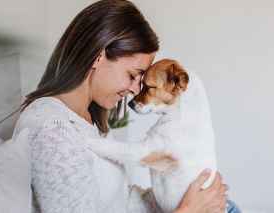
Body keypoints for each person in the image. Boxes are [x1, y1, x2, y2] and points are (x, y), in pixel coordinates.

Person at [13, 0, 240, 212]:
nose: (134, 90)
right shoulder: (51, 129)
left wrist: (191, 197)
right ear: (98, 57)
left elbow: (119, 199)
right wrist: (188, 209)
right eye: (132, 75)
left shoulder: (90, 117)